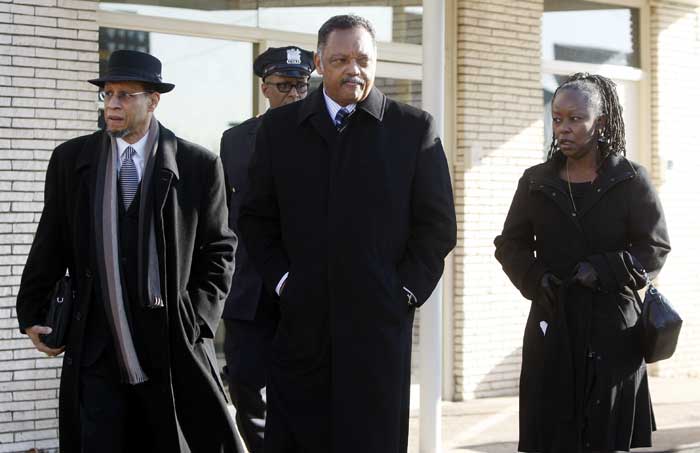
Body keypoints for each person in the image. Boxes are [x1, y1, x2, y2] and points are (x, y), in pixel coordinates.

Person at [239, 14, 457, 453]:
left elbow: (437, 227)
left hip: (376, 332)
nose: (352, 69)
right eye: (340, 59)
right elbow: (255, 218)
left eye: (362, 59)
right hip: (300, 327)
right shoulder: (280, 131)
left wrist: (403, 292)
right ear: (320, 62)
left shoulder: (413, 129)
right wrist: (284, 281)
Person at [15, 50, 241, 453]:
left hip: (168, 344)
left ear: (153, 100)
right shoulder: (71, 160)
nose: (113, 104)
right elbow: (50, 240)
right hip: (96, 343)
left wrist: (198, 319)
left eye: (125, 95)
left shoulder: (198, 165)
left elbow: (220, 250)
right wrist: (31, 312)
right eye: (108, 94)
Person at [494, 73, 671, 453]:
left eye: (575, 119)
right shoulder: (535, 182)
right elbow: (510, 245)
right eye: (557, 119)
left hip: (613, 332)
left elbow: (654, 247)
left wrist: (604, 270)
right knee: (551, 437)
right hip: (552, 325)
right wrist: (534, 277)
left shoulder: (630, 179)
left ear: (600, 123)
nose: (564, 128)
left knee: (605, 438)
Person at [220, 45, 314, 453]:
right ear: (265, 88)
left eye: (301, 86)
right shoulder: (234, 140)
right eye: (284, 85)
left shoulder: (324, 138)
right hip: (248, 288)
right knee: (244, 382)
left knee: (300, 388)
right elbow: (221, 214)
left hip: (304, 289)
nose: (294, 94)